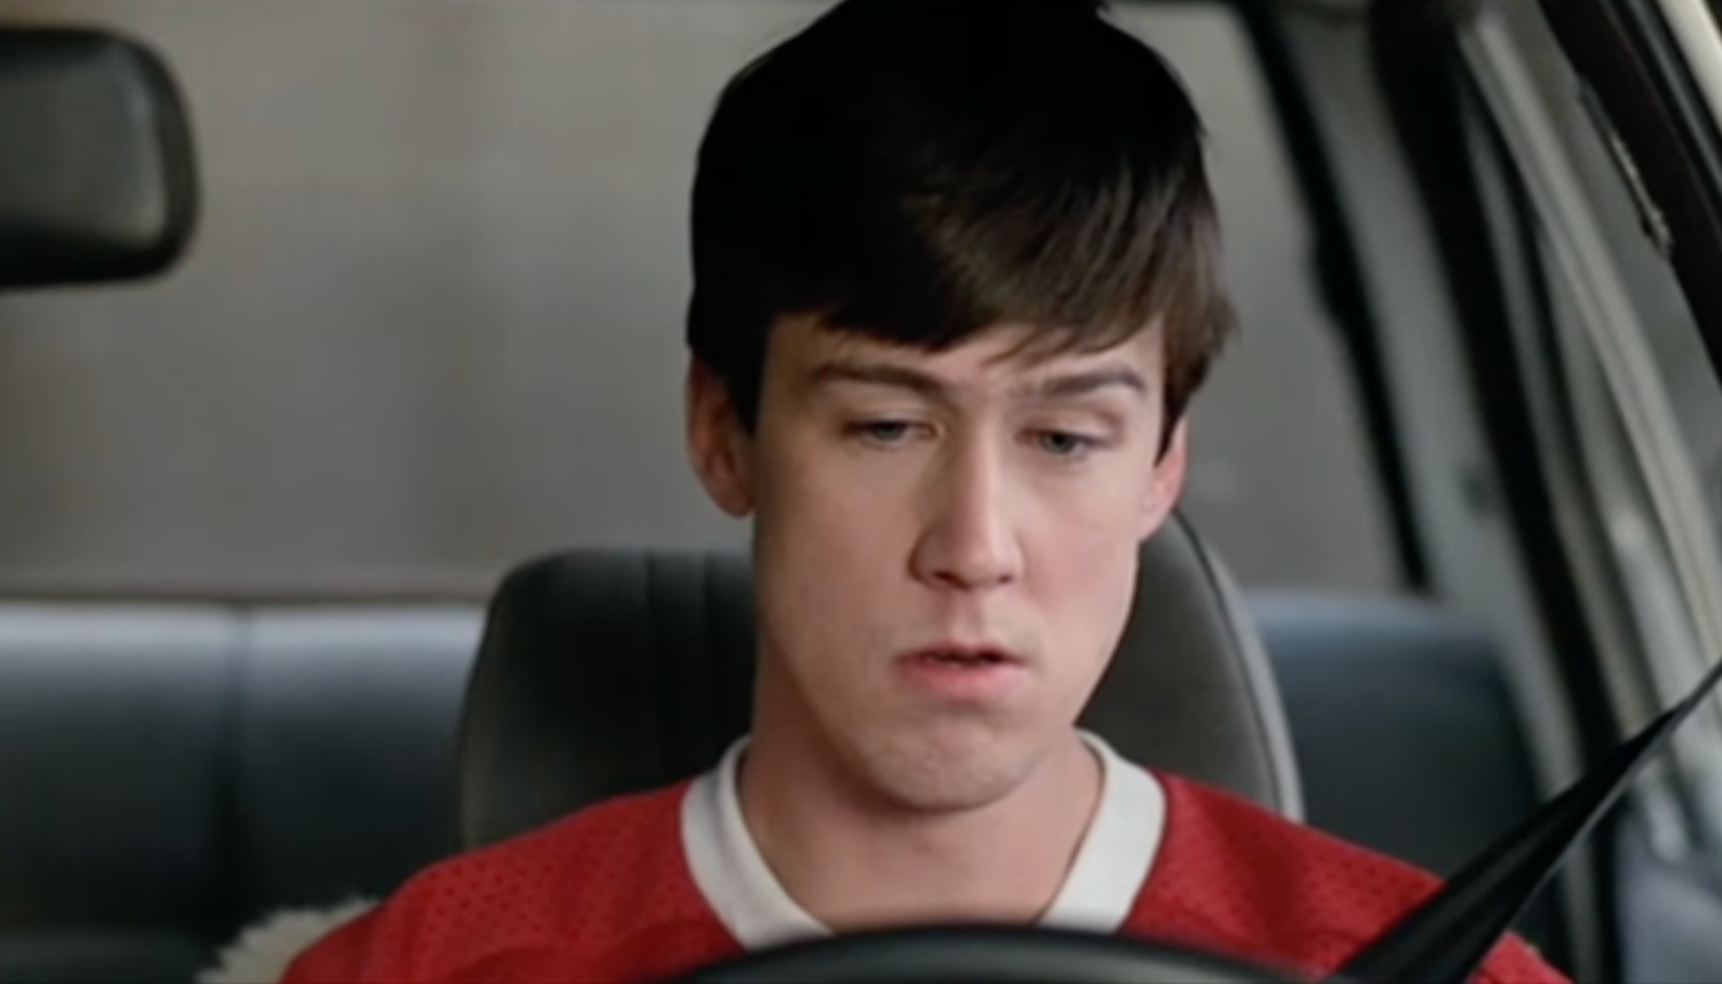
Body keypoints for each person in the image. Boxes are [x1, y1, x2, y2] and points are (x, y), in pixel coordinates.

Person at [284, 1, 1567, 981]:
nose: (975, 546)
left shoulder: (1418, 968)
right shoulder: (430, 969)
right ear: (724, 432)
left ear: (1163, 465)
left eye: (1065, 438)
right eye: (888, 427)